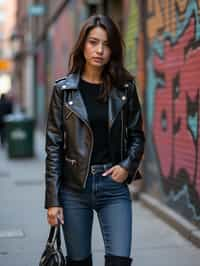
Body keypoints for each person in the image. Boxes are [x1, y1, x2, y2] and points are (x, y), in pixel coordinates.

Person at [45, 14, 145, 266]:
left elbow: (137, 135)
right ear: (83, 45)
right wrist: (52, 201)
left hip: (113, 186)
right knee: (79, 262)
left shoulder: (125, 88)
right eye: (93, 42)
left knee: (120, 260)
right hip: (74, 189)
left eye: (107, 44)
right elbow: (54, 147)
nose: (100, 50)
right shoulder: (63, 91)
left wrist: (127, 166)